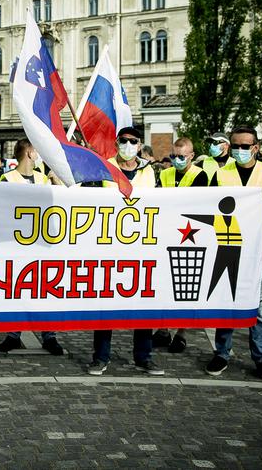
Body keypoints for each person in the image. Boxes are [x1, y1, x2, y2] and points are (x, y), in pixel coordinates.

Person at [204, 127, 262, 381]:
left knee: (260, 305)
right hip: (229, 244)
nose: (239, 150)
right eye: (235, 145)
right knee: (227, 297)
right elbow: (207, 205)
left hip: (260, 245)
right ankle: (222, 353)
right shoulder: (221, 173)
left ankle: (261, 357)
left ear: (255, 147)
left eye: (244, 146)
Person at [90, 126, 162, 377]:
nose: (128, 145)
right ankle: (100, 357)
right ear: (116, 142)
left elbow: (163, 203)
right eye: (124, 141)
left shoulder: (150, 171)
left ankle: (144, 357)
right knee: (106, 304)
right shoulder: (104, 168)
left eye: (133, 141)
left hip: (143, 247)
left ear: (140, 145)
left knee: (144, 304)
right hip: (110, 246)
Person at [0, 139, 64, 356]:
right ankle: (13, 334)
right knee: (18, 289)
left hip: (42, 243)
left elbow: (62, 204)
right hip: (17, 244)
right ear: (30, 153)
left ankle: (49, 334)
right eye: (37, 151)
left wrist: (57, 184)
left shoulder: (44, 179)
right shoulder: (7, 178)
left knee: (45, 289)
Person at [155, 137, 209, 354]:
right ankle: (163, 329)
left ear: (192, 156)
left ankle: (182, 333)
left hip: (191, 235)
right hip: (168, 232)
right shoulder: (165, 173)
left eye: (181, 157)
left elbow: (194, 204)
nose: (177, 160)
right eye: (174, 156)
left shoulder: (200, 175)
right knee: (165, 283)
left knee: (187, 285)